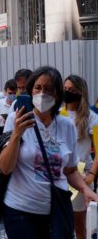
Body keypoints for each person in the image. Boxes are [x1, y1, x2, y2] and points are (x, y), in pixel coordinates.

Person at [0, 66, 98, 238]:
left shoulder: (66, 126)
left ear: (57, 94)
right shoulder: (16, 120)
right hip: (20, 210)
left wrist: (85, 189)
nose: (42, 93)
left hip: (56, 209)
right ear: (30, 90)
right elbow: (5, 168)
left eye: (48, 89)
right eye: (38, 88)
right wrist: (16, 135)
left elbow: (70, 170)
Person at [63, 75, 98, 239]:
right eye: (65, 89)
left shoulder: (92, 118)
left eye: (72, 90)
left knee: (80, 228)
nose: (67, 92)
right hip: (59, 177)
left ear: (81, 92)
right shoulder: (57, 114)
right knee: (60, 226)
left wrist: (90, 177)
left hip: (81, 178)